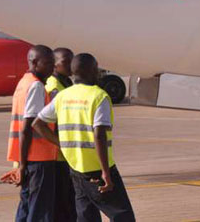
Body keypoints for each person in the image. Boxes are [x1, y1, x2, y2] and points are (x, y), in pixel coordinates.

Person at [34, 53, 136, 222]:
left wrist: (61, 144)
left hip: (75, 168)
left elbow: (38, 123)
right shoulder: (98, 96)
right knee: (123, 216)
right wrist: (106, 173)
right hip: (97, 168)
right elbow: (99, 134)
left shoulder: (63, 96)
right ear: (92, 70)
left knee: (86, 216)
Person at [1, 45, 59, 222]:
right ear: (34, 63)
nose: (52, 68)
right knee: (38, 209)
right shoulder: (36, 86)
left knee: (26, 207)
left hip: (29, 158)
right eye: (48, 63)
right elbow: (28, 126)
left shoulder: (23, 82)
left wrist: (21, 163)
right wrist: (23, 165)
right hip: (39, 159)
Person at [46, 47, 77, 222]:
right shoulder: (53, 86)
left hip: (67, 155)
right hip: (57, 156)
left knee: (69, 200)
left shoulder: (67, 82)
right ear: (55, 65)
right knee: (61, 202)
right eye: (66, 62)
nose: (70, 65)